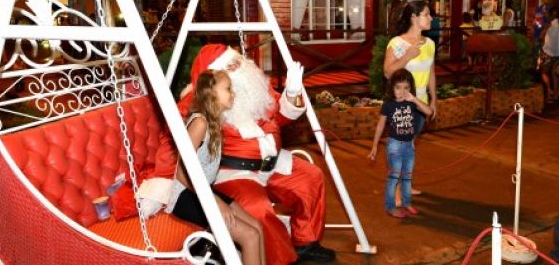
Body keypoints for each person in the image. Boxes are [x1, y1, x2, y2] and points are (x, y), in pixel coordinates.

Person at [178, 44, 335, 265]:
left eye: (237, 60)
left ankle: (306, 242)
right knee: (257, 210)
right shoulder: (200, 108)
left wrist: (291, 95)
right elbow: (177, 152)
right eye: (231, 65)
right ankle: (281, 259)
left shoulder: (256, 91)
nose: (239, 65)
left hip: (274, 161)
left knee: (311, 177)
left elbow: (279, 117)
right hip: (236, 173)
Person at [167, 69, 266, 265]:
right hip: (185, 196)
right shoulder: (200, 123)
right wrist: (215, 202)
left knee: (257, 228)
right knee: (250, 237)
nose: (233, 93)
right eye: (228, 89)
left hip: (203, 191)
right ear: (211, 92)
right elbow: (180, 173)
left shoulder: (214, 122)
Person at [384, 0, 437, 196]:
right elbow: (388, 73)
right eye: (426, 14)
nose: (431, 18)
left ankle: (405, 184)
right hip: (402, 107)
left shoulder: (430, 44)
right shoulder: (397, 43)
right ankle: (397, 190)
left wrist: (434, 100)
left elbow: (431, 73)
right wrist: (407, 56)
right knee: (400, 148)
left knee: (410, 145)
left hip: (420, 106)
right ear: (414, 17)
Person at [367, 69, 432, 218]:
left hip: (409, 145)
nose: (402, 91)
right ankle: (390, 206)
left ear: (411, 89)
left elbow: (429, 112)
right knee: (394, 177)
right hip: (394, 145)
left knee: (407, 177)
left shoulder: (412, 104)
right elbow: (380, 125)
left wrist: (414, 99)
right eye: (398, 87)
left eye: (406, 87)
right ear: (392, 88)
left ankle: (406, 203)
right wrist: (375, 146)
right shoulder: (388, 105)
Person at [540, 8, 559, 101]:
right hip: (557, 53)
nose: (546, 16)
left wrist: (544, 29)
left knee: (544, 72)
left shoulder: (549, 25)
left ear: (553, 14)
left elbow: (541, 36)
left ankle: (549, 89)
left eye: (547, 14)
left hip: (549, 53)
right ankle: (555, 94)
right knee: (554, 74)